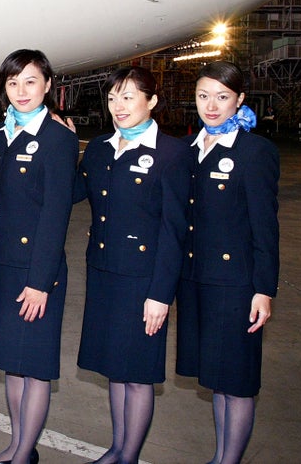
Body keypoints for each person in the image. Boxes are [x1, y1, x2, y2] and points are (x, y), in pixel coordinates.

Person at [75, 66, 193, 464]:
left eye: (128, 97)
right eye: (112, 98)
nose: (118, 106)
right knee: (115, 367)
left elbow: (174, 230)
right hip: (105, 272)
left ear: (152, 101)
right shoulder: (100, 148)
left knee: (138, 372)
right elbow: (72, 191)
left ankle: (129, 456)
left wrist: (161, 294)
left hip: (144, 280)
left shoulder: (173, 154)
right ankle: (117, 446)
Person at [0, 50, 78, 464]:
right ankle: (17, 445)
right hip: (0, 264)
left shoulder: (59, 139)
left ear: (48, 86)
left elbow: (56, 216)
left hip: (35, 271)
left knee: (33, 367)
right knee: (11, 364)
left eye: (30, 81)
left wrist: (40, 282)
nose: (21, 91)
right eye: (13, 83)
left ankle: (22, 457)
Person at [176, 61, 279, 464]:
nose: (212, 106)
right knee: (217, 379)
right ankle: (221, 456)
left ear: (239, 100)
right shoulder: (190, 148)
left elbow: (265, 228)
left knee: (235, 382)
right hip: (198, 279)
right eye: (204, 96)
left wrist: (264, 289)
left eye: (222, 97)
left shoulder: (254, 152)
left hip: (236, 285)